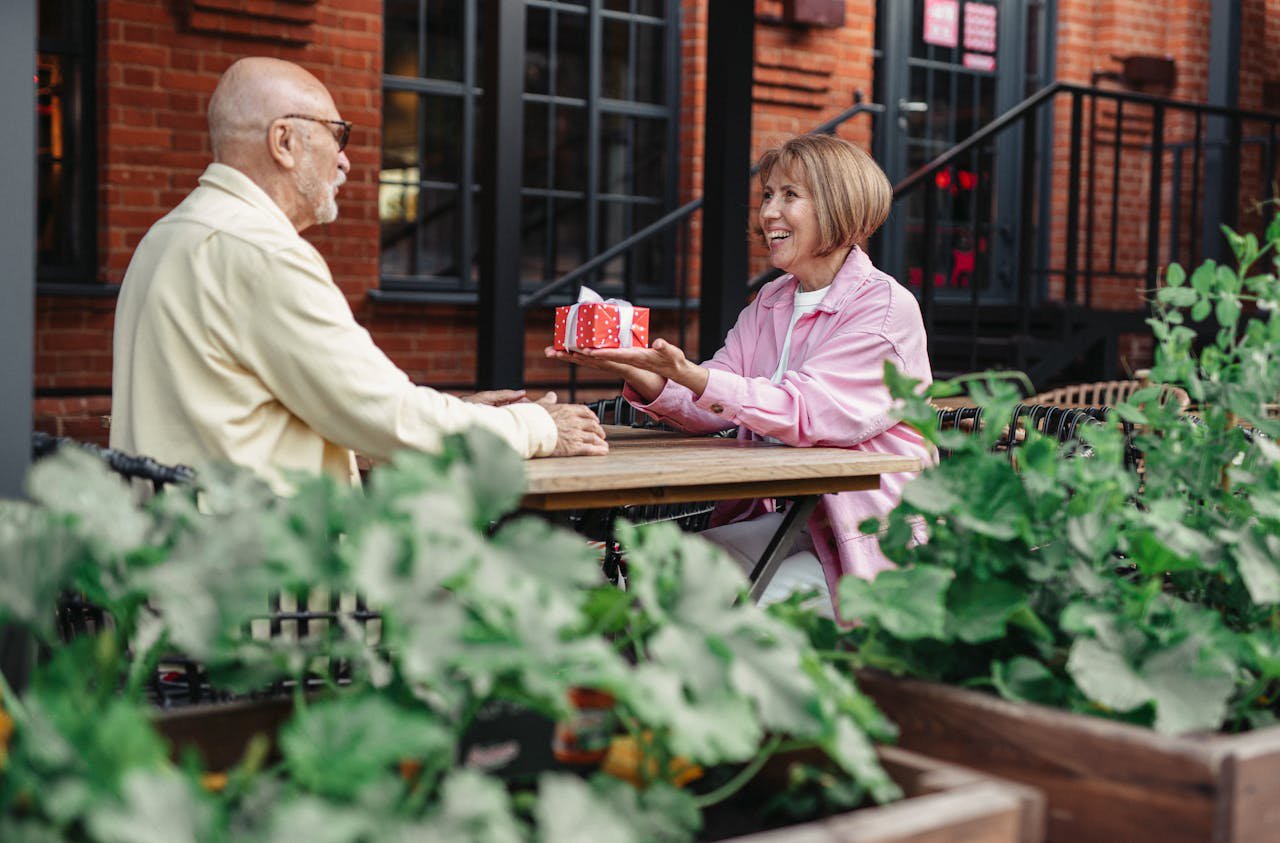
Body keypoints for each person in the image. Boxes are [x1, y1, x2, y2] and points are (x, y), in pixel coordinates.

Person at [111, 57, 606, 493]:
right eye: (336, 134)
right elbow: (392, 420)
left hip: (177, 568)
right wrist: (536, 426)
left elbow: (309, 412)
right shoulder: (261, 252)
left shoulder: (170, 234)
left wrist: (460, 415)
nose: (345, 159)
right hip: (265, 585)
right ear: (283, 140)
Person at [547, 133, 931, 615]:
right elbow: (715, 399)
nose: (769, 212)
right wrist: (639, 367)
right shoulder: (771, 302)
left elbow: (807, 412)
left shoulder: (884, 307)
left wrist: (694, 376)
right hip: (795, 517)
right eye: (768, 195)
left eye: (790, 195)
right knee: (668, 577)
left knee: (729, 613)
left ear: (839, 205)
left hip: (871, 533)